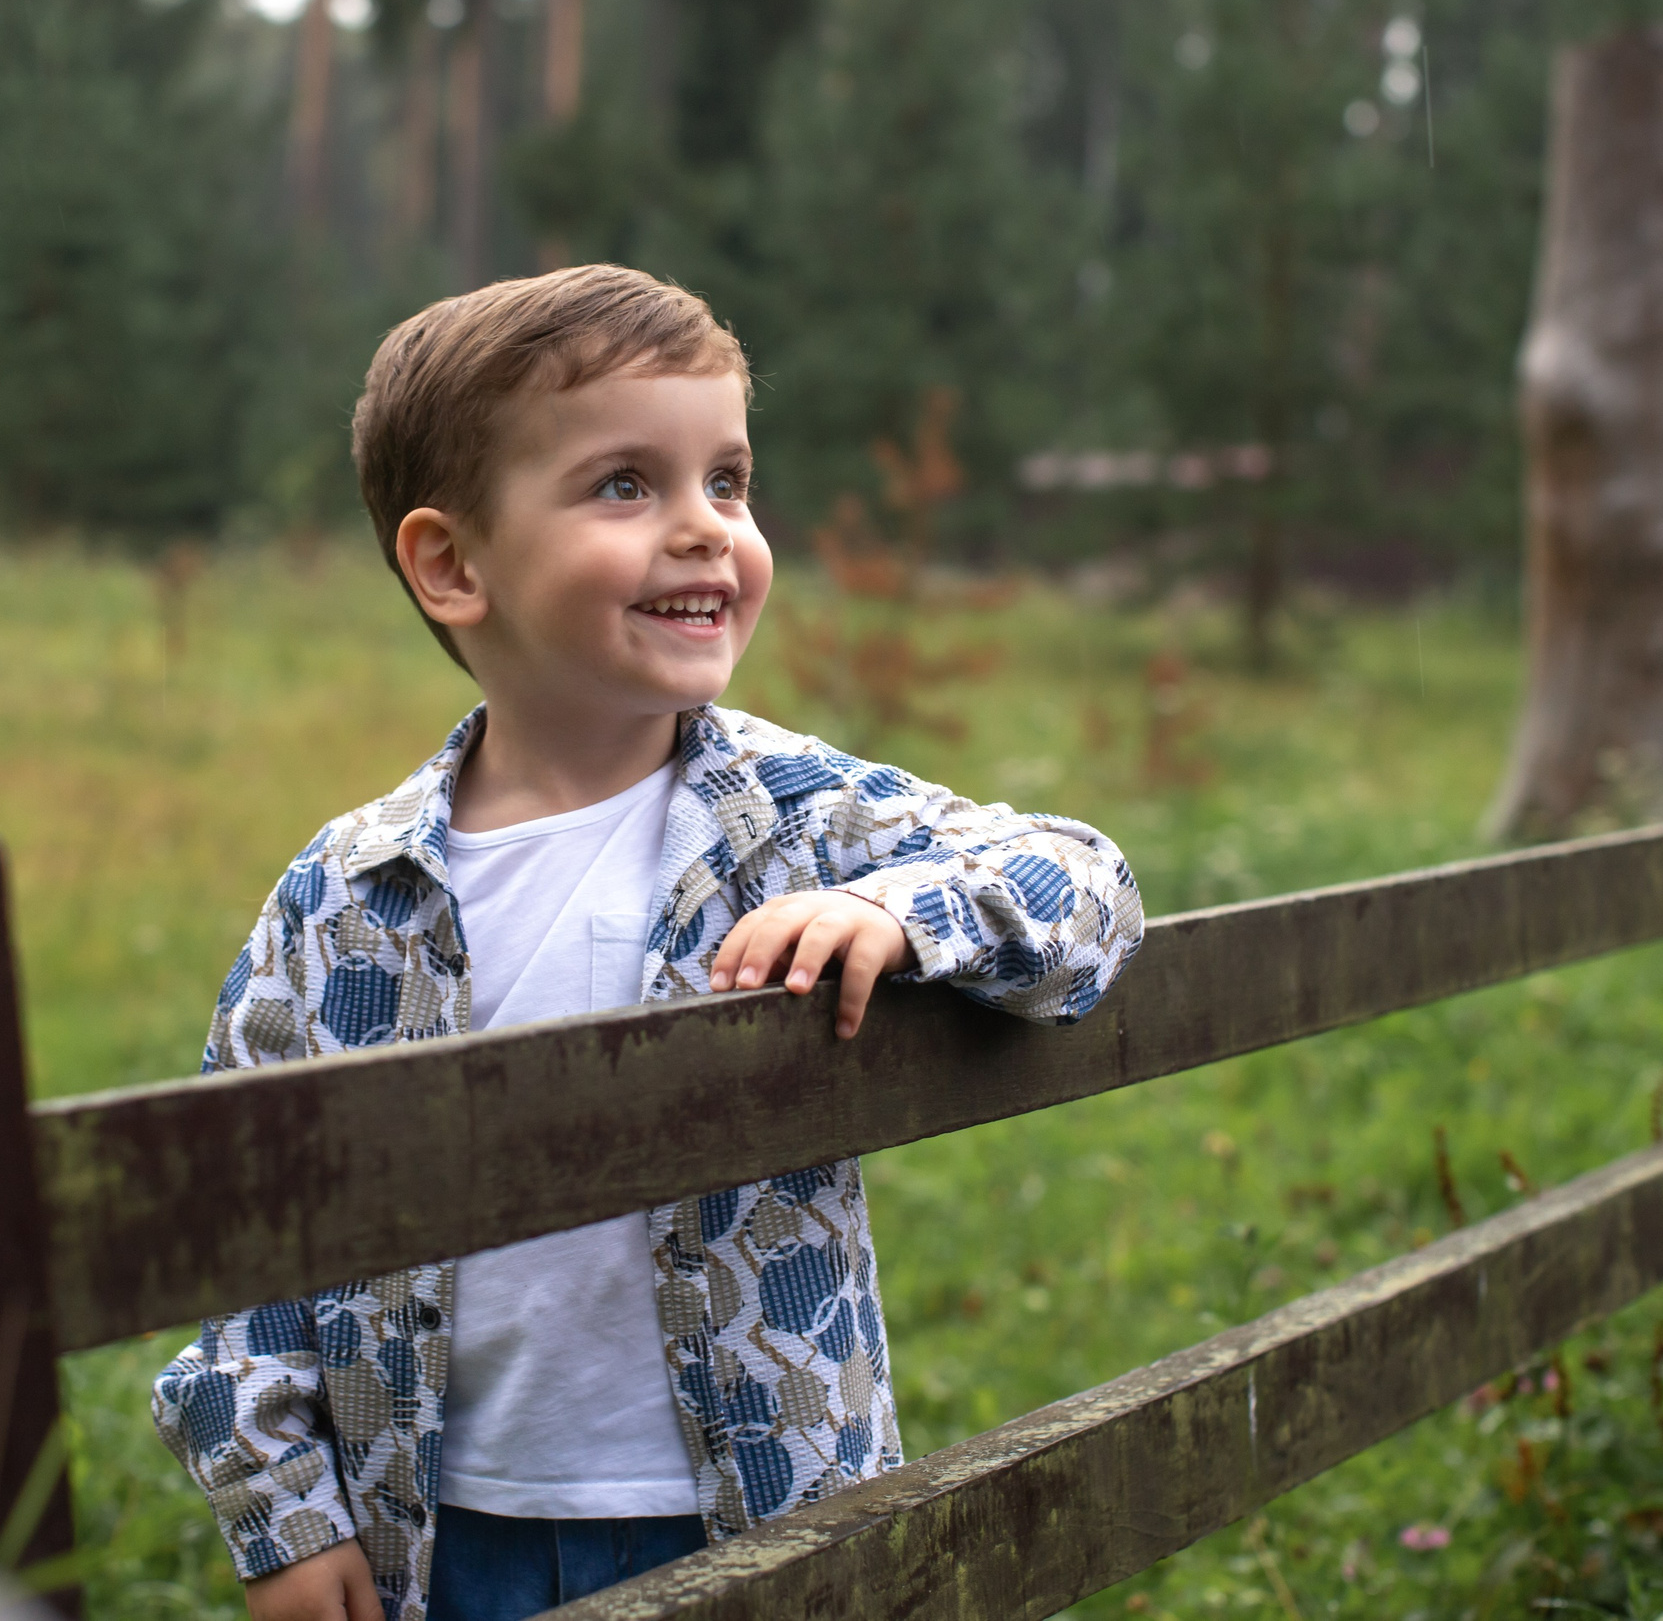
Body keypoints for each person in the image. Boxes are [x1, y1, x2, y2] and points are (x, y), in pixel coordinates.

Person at [153, 265, 1142, 1621]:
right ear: (452, 566)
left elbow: (1086, 881)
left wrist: (900, 914)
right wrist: (282, 1513)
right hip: (437, 1536)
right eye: (626, 485)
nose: (704, 531)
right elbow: (245, 1217)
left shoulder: (795, 819)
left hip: (763, 1511)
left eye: (727, 481)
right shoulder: (346, 898)